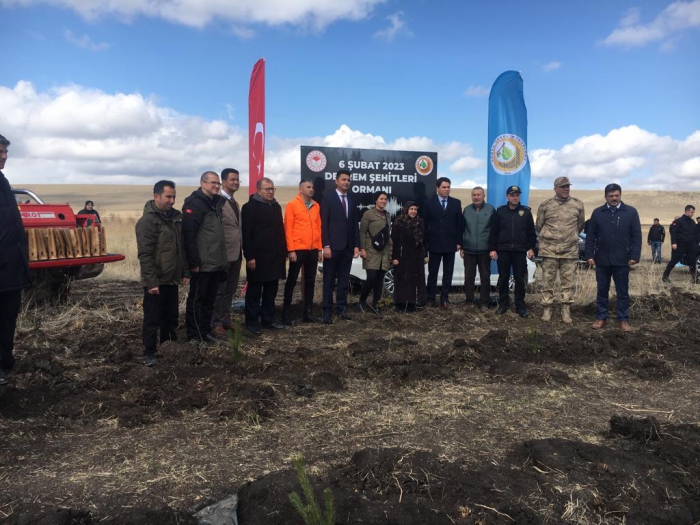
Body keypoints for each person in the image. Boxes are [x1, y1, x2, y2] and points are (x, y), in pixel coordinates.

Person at [135, 181, 189, 366]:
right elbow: (145, 254)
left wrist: (185, 272)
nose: (172, 201)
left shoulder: (175, 219)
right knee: (152, 318)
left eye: (174, 197)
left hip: (171, 279)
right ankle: (149, 352)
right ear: (156, 196)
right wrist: (151, 282)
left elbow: (181, 249)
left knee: (171, 317)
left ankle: (169, 348)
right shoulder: (147, 221)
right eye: (168, 197)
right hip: (156, 281)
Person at [585, 183, 642, 332]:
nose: (614, 198)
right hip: (602, 259)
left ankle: (623, 319)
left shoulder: (630, 212)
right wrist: (589, 255)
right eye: (611, 196)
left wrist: (634, 255)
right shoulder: (598, 213)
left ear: (620, 195)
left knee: (622, 292)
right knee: (602, 291)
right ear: (605, 197)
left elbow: (636, 236)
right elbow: (590, 236)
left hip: (622, 259)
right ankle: (601, 317)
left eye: (617, 195)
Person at [0, 134, 31, 386]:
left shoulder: (3, 181)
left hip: (11, 267)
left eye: (6, 152)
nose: (4, 157)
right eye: (0, 152)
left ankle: (4, 361)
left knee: (8, 316)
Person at [182, 171, 227, 343]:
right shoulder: (194, 204)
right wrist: (193, 262)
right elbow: (189, 236)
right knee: (197, 301)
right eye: (213, 182)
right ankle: (194, 335)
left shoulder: (215, 203)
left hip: (215, 262)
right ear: (202, 184)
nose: (216, 186)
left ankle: (205, 331)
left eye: (218, 183)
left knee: (209, 300)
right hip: (202, 264)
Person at [536, 177, 585, 323]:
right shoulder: (546, 205)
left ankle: (566, 310)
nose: (566, 189)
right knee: (547, 282)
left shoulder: (577, 205)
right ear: (555, 188)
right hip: (549, 251)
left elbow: (580, 226)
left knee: (568, 283)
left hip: (569, 251)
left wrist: (568, 237)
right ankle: (547, 308)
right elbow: (539, 225)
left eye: (567, 186)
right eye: (562, 186)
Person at [242, 178, 287, 335]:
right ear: (258, 190)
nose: (270, 192)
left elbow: (280, 231)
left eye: (272, 189)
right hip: (258, 258)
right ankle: (252, 322)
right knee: (254, 292)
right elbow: (246, 234)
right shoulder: (249, 207)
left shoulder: (276, 206)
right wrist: (249, 256)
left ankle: (268, 319)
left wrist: (283, 252)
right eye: (267, 189)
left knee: (271, 291)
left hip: (275, 257)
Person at [489, 185, 536, 318]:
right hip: (503, 250)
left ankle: (520, 305)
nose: (515, 198)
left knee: (519, 278)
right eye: (512, 195)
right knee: (503, 277)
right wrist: (492, 248)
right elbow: (493, 232)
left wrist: (531, 248)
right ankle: (503, 304)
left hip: (519, 250)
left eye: (517, 195)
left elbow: (531, 233)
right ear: (507, 196)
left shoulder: (526, 212)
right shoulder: (500, 211)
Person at [320, 169, 360, 324]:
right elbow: (324, 224)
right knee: (329, 281)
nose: (346, 182)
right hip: (332, 248)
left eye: (348, 179)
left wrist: (356, 245)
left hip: (348, 248)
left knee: (343, 282)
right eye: (343, 179)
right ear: (336, 181)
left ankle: (341, 309)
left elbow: (354, 224)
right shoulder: (328, 199)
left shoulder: (352, 199)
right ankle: (327, 311)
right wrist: (326, 245)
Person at [283, 179, 323, 325]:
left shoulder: (316, 205)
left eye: (312, 187)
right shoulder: (292, 205)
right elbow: (288, 229)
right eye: (308, 187)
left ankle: (308, 314)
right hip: (298, 249)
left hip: (312, 250)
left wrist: (319, 249)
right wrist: (291, 250)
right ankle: (286, 315)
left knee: (310, 282)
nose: (311, 189)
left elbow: (318, 228)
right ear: (300, 190)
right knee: (292, 281)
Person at [422, 177, 463, 308]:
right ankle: (430, 298)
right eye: (444, 187)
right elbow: (424, 225)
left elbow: (459, 224)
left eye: (448, 187)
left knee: (448, 272)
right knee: (433, 273)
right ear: (437, 188)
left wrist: (459, 242)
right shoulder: (429, 203)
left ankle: (444, 299)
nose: (446, 189)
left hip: (450, 243)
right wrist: (426, 243)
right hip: (434, 243)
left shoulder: (456, 203)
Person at [211, 168, 243, 338]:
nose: (236, 182)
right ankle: (216, 323)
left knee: (230, 289)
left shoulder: (234, 203)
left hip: (236, 253)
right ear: (223, 182)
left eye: (238, 179)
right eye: (232, 179)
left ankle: (225, 319)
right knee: (220, 291)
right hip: (223, 255)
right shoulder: (217, 201)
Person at [460, 186, 495, 312]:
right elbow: (462, 229)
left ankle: (484, 302)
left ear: (483, 196)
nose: (476, 197)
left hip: (485, 250)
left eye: (478, 195)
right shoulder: (467, 210)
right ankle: (469, 301)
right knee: (469, 277)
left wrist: (492, 248)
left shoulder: (490, 210)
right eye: (474, 195)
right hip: (469, 250)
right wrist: (462, 246)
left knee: (485, 277)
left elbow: (494, 231)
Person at [358, 191, 393, 314]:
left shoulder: (387, 215)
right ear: (376, 200)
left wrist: (390, 253)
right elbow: (362, 232)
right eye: (381, 198)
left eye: (385, 199)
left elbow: (388, 236)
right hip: (371, 251)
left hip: (384, 253)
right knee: (371, 278)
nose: (383, 201)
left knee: (379, 280)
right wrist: (362, 249)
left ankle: (376, 305)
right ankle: (361, 301)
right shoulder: (368, 214)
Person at [391, 201, 428, 312]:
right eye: (411, 209)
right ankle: (400, 304)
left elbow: (423, 240)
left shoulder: (419, 222)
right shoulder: (399, 222)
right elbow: (394, 241)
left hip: (417, 254)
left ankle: (412, 304)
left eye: (415, 209)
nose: (413, 211)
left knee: (414, 279)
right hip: (402, 254)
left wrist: (425, 254)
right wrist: (395, 257)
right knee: (402, 279)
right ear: (406, 209)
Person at [663, 205, 698, 283]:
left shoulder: (692, 222)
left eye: (693, 212)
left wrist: (696, 243)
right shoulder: (679, 221)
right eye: (691, 212)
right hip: (680, 245)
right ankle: (665, 276)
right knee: (674, 260)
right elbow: (674, 233)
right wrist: (674, 243)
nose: (693, 214)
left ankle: (695, 279)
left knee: (692, 261)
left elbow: (695, 233)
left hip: (691, 245)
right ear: (687, 211)